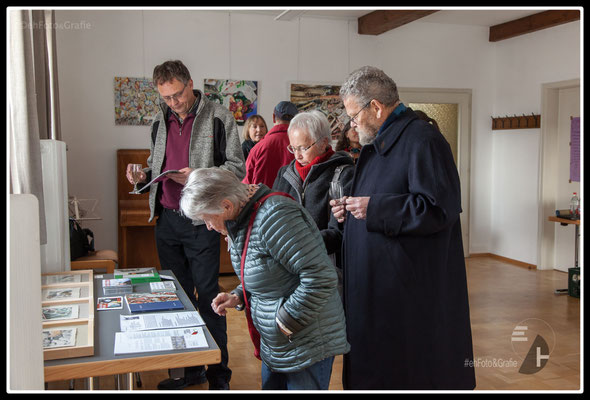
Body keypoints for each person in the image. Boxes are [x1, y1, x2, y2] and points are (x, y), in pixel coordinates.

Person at [331, 66, 476, 390]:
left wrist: (374, 208)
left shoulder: (423, 139)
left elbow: (439, 209)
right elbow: (382, 198)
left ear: (376, 107)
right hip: (379, 291)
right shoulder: (384, 139)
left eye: (354, 115)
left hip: (406, 297)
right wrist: (351, 210)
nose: (351, 124)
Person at [125, 60, 245, 390]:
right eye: (167, 98)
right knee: (177, 298)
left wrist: (199, 175)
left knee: (209, 298)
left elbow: (237, 167)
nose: (174, 102)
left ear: (190, 83)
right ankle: (189, 371)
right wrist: (141, 176)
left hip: (201, 222)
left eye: (178, 94)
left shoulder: (219, 116)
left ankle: (219, 377)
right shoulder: (157, 120)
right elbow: (154, 166)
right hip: (166, 221)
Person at [179, 168, 350, 390]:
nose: (209, 227)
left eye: (207, 219)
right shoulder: (242, 216)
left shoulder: (276, 216)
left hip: (306, 340)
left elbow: (320, 277)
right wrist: (238, 295)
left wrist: (285, 322)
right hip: (279, 341)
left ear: (227, 205)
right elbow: (266, 270)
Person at [273, 110, 354, 270]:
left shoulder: (344, 174)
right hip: (288, 265)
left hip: (326, 268)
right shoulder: (285, 174)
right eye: (293, 148)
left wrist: (300, 243)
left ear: (324, 142)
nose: (297, 155)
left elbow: (340, 233)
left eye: (303, 148)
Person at [242, 101, 298, 187]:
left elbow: (246, 185)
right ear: (296, 119)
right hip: (293, 200)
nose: (259, 130)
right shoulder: (304, 146)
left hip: (262, 199)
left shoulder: (258, 148)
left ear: (273, 117)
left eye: (261, 126)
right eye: (254, 126)